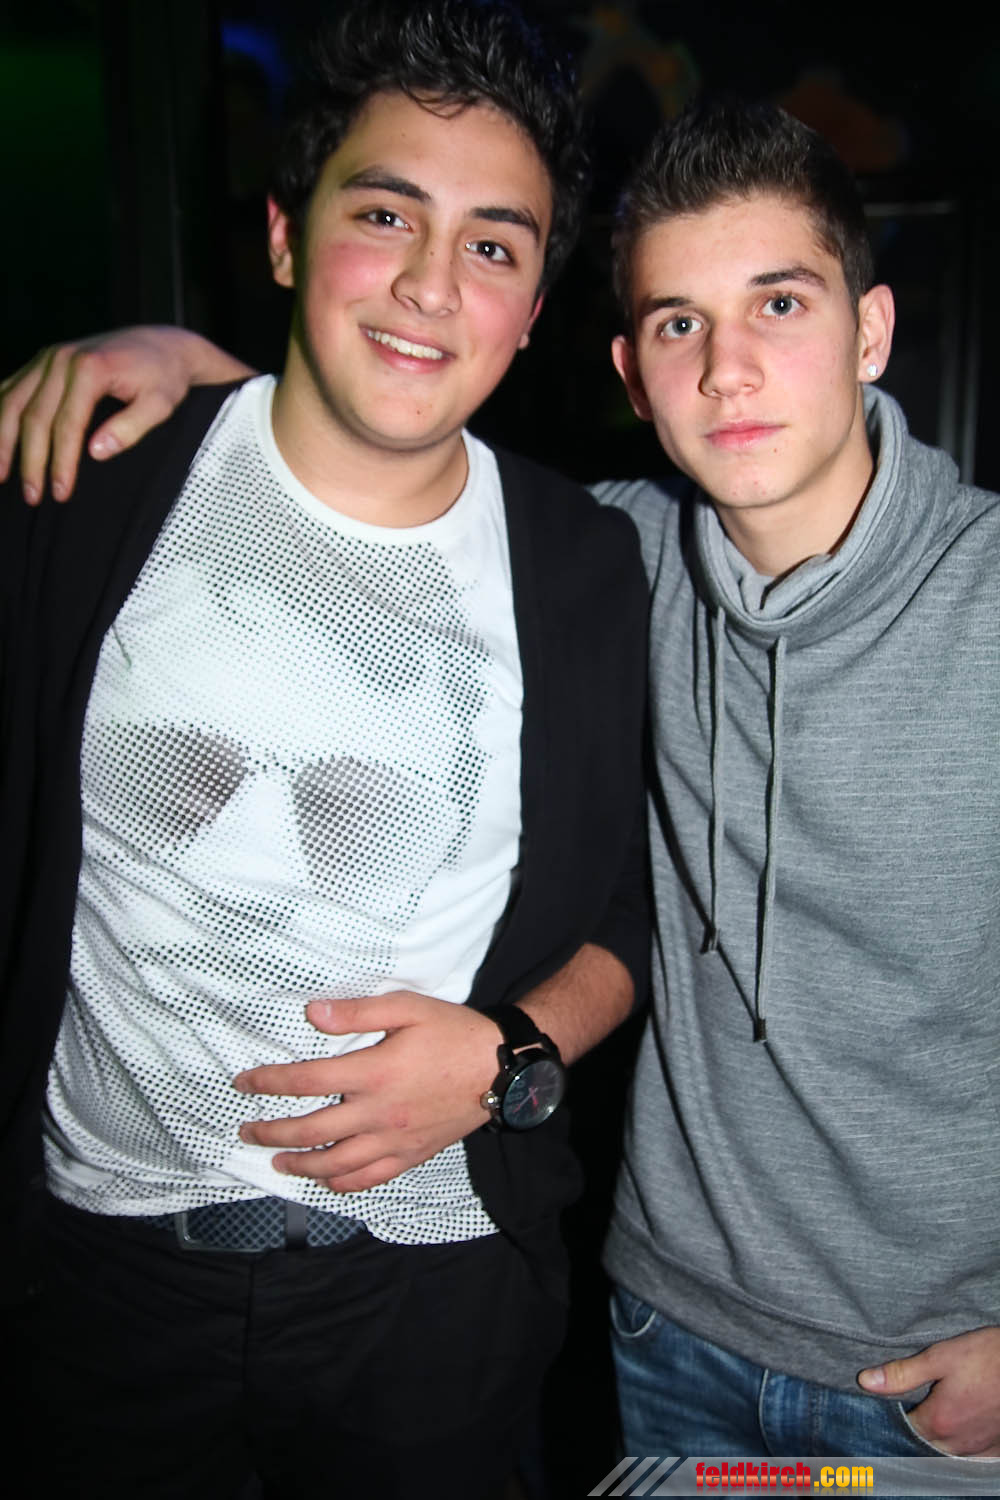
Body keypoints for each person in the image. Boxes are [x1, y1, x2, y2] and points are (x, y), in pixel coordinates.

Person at [9, 95, 998, 1471]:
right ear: (631, 371)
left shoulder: (971, 599)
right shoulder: (619, 561)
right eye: (680, 324)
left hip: (936, 1376)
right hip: (664, 1331)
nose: (729, 371)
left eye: (780, 304)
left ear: (872, 332)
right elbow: (371, 427)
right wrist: (192, 373)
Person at [0, 4, 648, 1498]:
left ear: (533, 307)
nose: (432, 283)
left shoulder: (586, 569)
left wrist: (511, 1055)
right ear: (289, 238)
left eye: (494, 245)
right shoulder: (95, 484)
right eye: (385, 215)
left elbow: (640, 903)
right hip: (98, 1292)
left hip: (431, 1306)